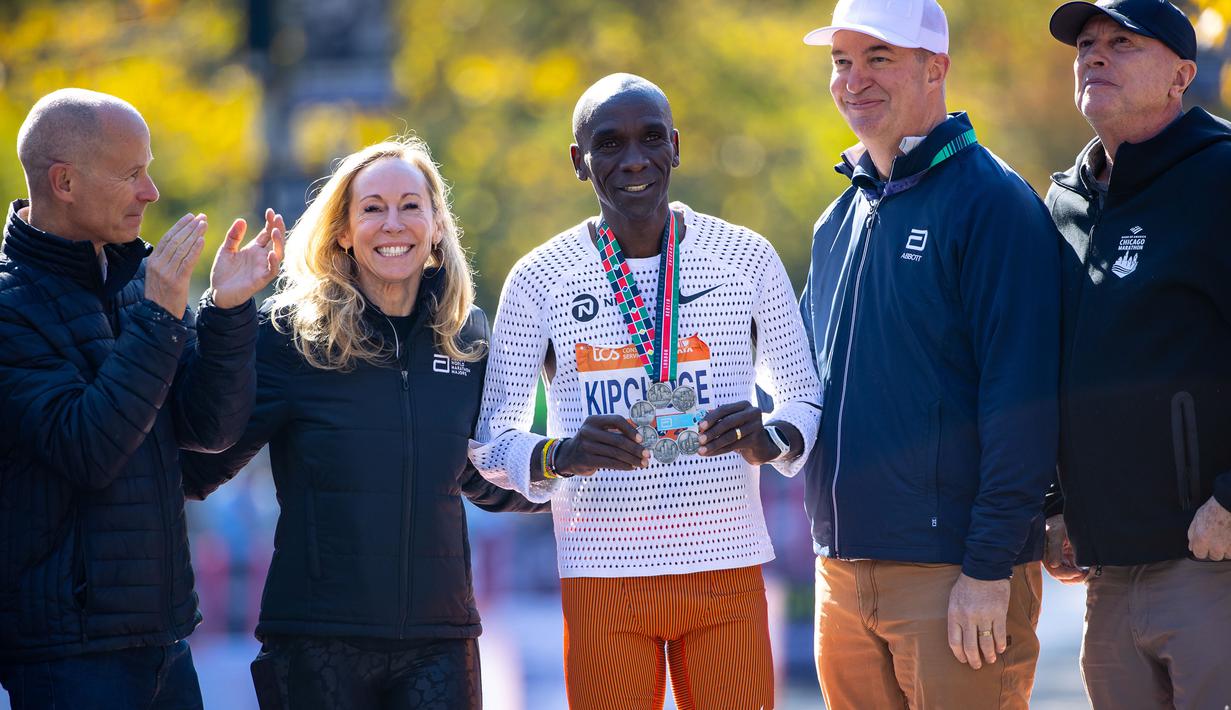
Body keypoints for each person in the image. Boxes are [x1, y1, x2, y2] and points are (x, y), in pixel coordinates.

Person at [470, 73, 822, 710]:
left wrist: (769, 439)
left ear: (676, 147)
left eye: (650, 138)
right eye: (608, 145)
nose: (633, 160)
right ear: (580, 162)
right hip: (602, 573)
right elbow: (491, 439)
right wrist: (558, 455)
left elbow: (806, 398)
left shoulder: (746, 256)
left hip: (725, 563)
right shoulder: (539, 277)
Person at [179, 137, 546, 710]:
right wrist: (225, 317)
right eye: (372, 208)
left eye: (410, 205)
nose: (392, 223)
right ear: (344, 231)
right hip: (318, 640)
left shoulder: (468, 335)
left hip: (440, 641)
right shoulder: (294, 336)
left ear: (436, 226)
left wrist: (573, 476)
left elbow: (476, 473)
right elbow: (208, 455)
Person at [798, 1, 1062, 707]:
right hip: (839, 576)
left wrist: (987, 569)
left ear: (934, 66)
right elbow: (805, 383)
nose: (854, 80)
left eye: (878, 58)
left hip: (953, 579)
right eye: (840, 61)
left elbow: (1023, 401)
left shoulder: (993, 203)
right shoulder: (837, 219)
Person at [0, 89, 283, 709]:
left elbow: (209, 429)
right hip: (67, 655)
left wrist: (229, 312)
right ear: (64, 181)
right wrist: (159, 317)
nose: (151, 191)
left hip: (168, 640)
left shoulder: (141, 278)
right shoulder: (9, 307)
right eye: (132, 173)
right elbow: (90, 449)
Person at [1043, 1, 1231, 706]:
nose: (1094, 56)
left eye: (1121, 43)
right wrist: (1055, 504)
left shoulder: (1220, 177)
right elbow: (1052, 368)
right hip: (1105, 572)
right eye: (1085, 45)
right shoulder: (1061, 202)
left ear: (1181, 74)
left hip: (1210, 557)